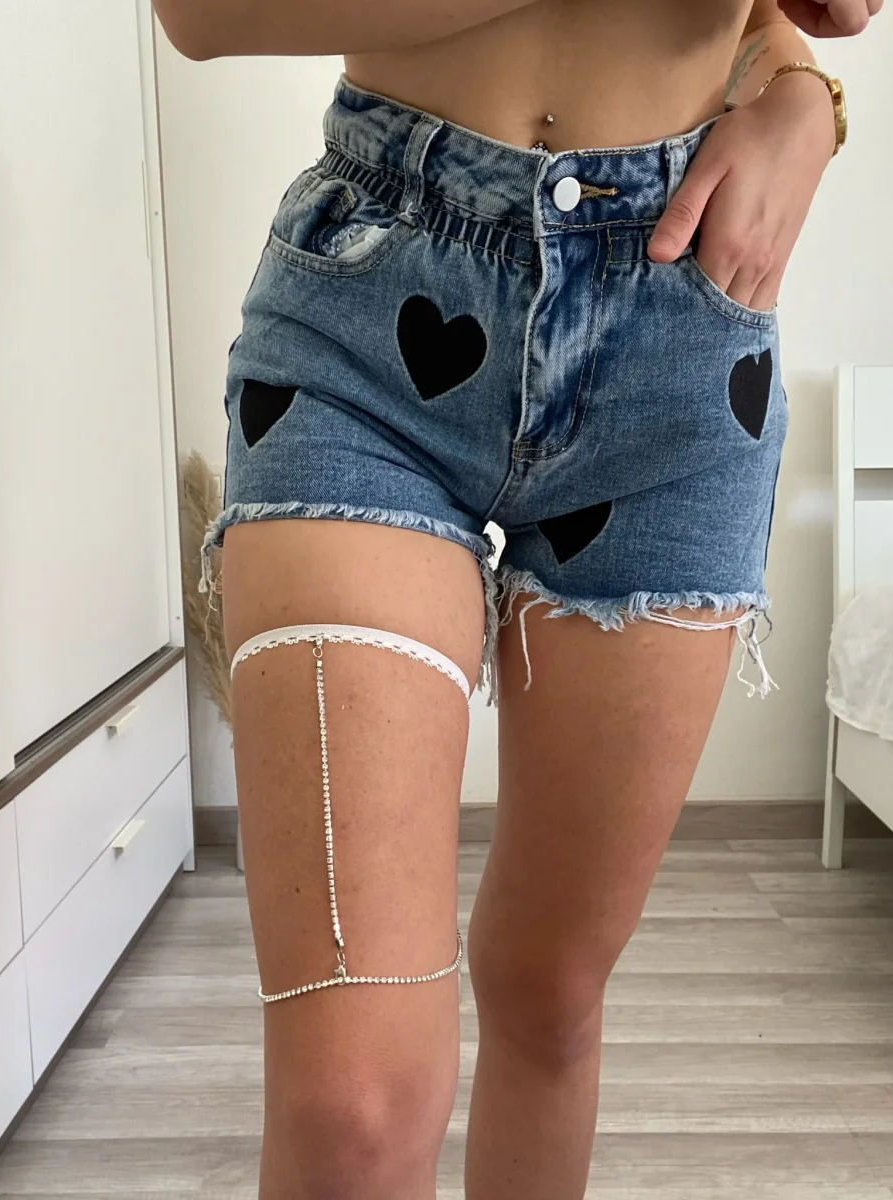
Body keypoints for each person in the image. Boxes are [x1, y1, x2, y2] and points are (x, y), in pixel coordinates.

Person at [155, 0, 876, 1196]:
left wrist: (806, 92)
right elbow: (200, 14)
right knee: (351, 1109)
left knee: (550, 997)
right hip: (369, 315)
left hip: (677, 319)